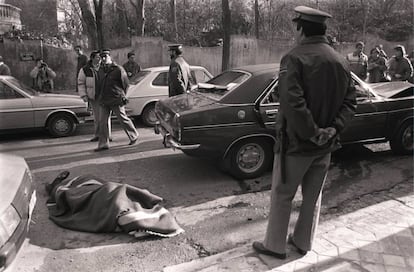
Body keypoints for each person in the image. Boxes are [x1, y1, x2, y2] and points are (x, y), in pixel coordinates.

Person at [252, 6, 356, 259]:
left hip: (297, 145)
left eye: (295, 27)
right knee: (313, 197)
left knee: (283, 195)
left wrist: (312, 132)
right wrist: (332, 129)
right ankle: (303, 242)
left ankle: (275, 246)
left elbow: (292, 103)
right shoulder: (340, 59)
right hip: (326, 144)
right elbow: (351, 101)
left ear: (301, 28)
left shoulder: (294, 58)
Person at [95, 49, 138, 151]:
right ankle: (103, 144)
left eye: (106, 56)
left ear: (110, 57)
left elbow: (126, 84)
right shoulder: (100, 70)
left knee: (123, 119)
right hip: (104, 100)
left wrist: (121, 96)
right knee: (102, 122)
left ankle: (133, 135)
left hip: (116, 99)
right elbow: (99, 85)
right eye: (102, 57)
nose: (104, 59)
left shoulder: (118, 69)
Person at [77, 50, 112, 142]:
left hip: (105, 96)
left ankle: (107, 136)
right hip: (94, 97)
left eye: (100, 57)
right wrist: (84, 95)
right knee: (97, 118)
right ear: (92, 58)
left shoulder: (105, 67)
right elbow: (81, 83)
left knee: (106, 117)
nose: (100, 59)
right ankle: (97, 135)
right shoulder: (86, 69)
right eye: (97, 57)